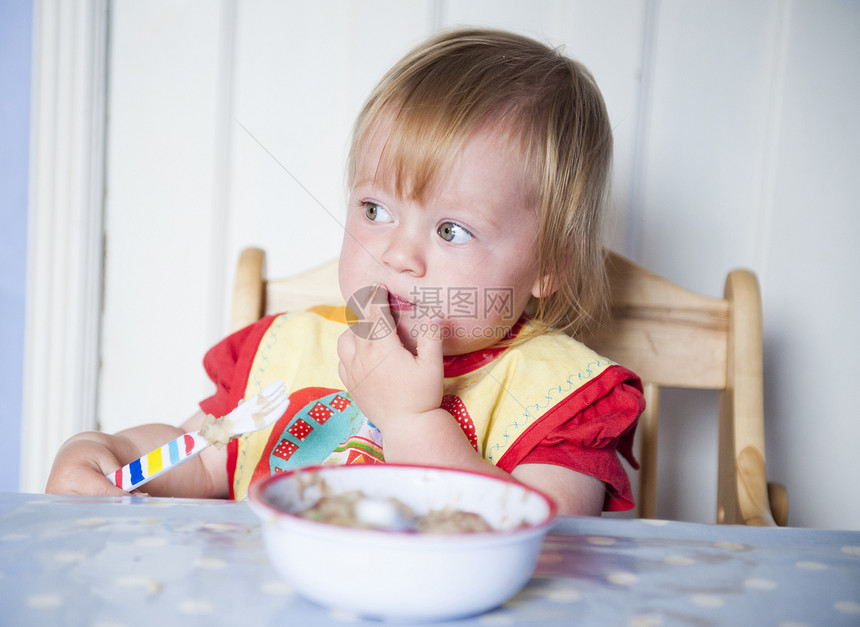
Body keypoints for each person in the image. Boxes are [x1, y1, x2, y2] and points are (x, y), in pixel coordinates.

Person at [47, 27, 644, 516]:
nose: (396, 255)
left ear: (550, 264)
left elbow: (542, 540)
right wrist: (108, 453)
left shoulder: (562, 400)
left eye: (450, 230)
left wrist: (411, 420)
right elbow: (203, 457)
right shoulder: (285, 350)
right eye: (376, 210)